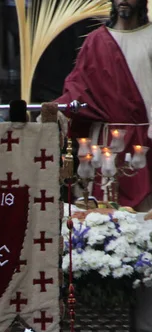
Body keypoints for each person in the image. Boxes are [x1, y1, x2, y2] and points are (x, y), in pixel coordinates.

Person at [57, 0, 152, 210]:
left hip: (144, 141)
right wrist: (55, 111)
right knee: (103, 211)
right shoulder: (96, 41)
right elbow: (79, 89)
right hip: (105, 141)